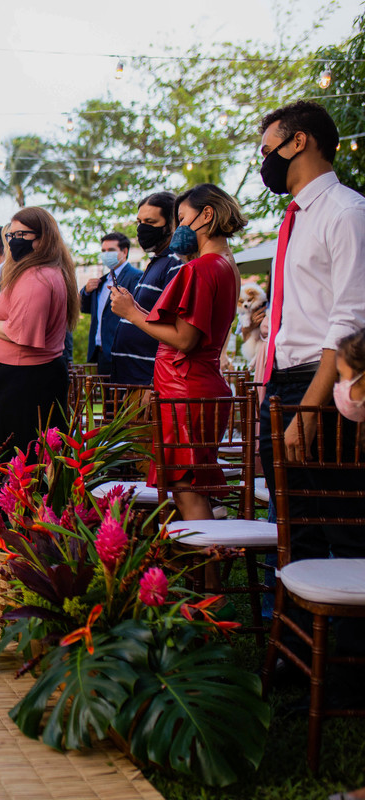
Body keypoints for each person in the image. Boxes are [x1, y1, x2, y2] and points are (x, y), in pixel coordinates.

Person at [256, 100, 365, 702]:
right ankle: (298, 660)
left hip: (318, 385)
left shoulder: (346, 212)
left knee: (341, 530)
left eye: (268, 145)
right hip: (285, 381)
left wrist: (310, 407)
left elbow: (349, 322)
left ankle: (345, 677)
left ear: (298, 142)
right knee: (294, 529)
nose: (263, 159)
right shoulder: (294, 218)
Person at [110, 184, 244, 520]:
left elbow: (185, 340)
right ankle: (206, 568)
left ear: (207, 215)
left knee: (187, 490)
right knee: (189, 487)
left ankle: (206, 569)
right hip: (196, 384)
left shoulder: (201, 269)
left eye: (183, 219)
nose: (179, 229)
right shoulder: (226, 265)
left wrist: (132, 313)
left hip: (186, 387)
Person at [0, 208, 77, 461]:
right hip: (21, 381)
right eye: (11, 234)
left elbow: (22, 332)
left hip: (26, 382)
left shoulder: (36, 277)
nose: (14, 240)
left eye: (22, 234)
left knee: (24, 458)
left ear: (42, 238)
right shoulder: (39, 272)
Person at [110, 193, 184, 385]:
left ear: (170, 225)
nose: (142, 228)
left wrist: (154, 382)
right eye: (139, 221)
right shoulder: (157, 261)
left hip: (148, 380)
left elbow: (176, 330)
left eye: (150, 222)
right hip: (131, 378)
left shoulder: (175, 263)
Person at [80, 232, 142, 376]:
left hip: (123, 353)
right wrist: (86, 291)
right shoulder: (101, 282)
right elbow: (87, 309)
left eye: (111, 250)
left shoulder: (136, 277)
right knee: (105, 397)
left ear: (124, 252)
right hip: (101, 353)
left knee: (121, 398)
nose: (106, 254)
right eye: (103, 251)